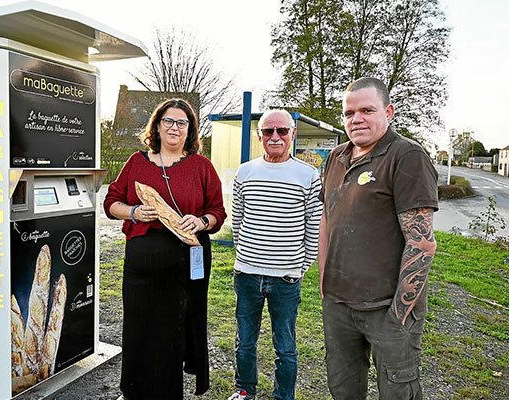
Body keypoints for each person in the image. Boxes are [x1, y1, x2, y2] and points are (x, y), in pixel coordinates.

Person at [318, 77, 438, 399]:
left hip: (388, 309)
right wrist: (323, 283)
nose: (356, 119)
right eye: (349, 113)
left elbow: (422, 243)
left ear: (389, 111)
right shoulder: (335, 158)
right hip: (339, 305)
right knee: (342, 390)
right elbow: (327, 221)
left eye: (367, 110)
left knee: (398, 392)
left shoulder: (406, 156)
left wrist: (399, 314)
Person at [104, 98, 226, 400]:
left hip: (185, 262)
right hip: (141, 265)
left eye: (181, 122)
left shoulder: (201, 166)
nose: (174, 127)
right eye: (168, 121)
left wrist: (200, 221)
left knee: (174, 329)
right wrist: (133, 213)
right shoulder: (136, 162)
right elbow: (111, 203)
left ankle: (168, 392)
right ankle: (132, 389)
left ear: (190, 130)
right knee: (138, 327)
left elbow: (218, 212)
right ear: (156, 126)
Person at [228, 109, 323, 400]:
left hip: (286, 278)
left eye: (282, 131)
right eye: (268, 131)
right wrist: (244, 254)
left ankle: (284, 396)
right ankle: (245, 391)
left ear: (292, 133)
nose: (275, 137)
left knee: (286, 346)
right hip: (247, 274)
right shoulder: (245, 172)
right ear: (259, 136)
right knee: (245, 341)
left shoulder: (308, 175)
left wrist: (301, 265)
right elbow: (238, 219)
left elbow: (313, 225)